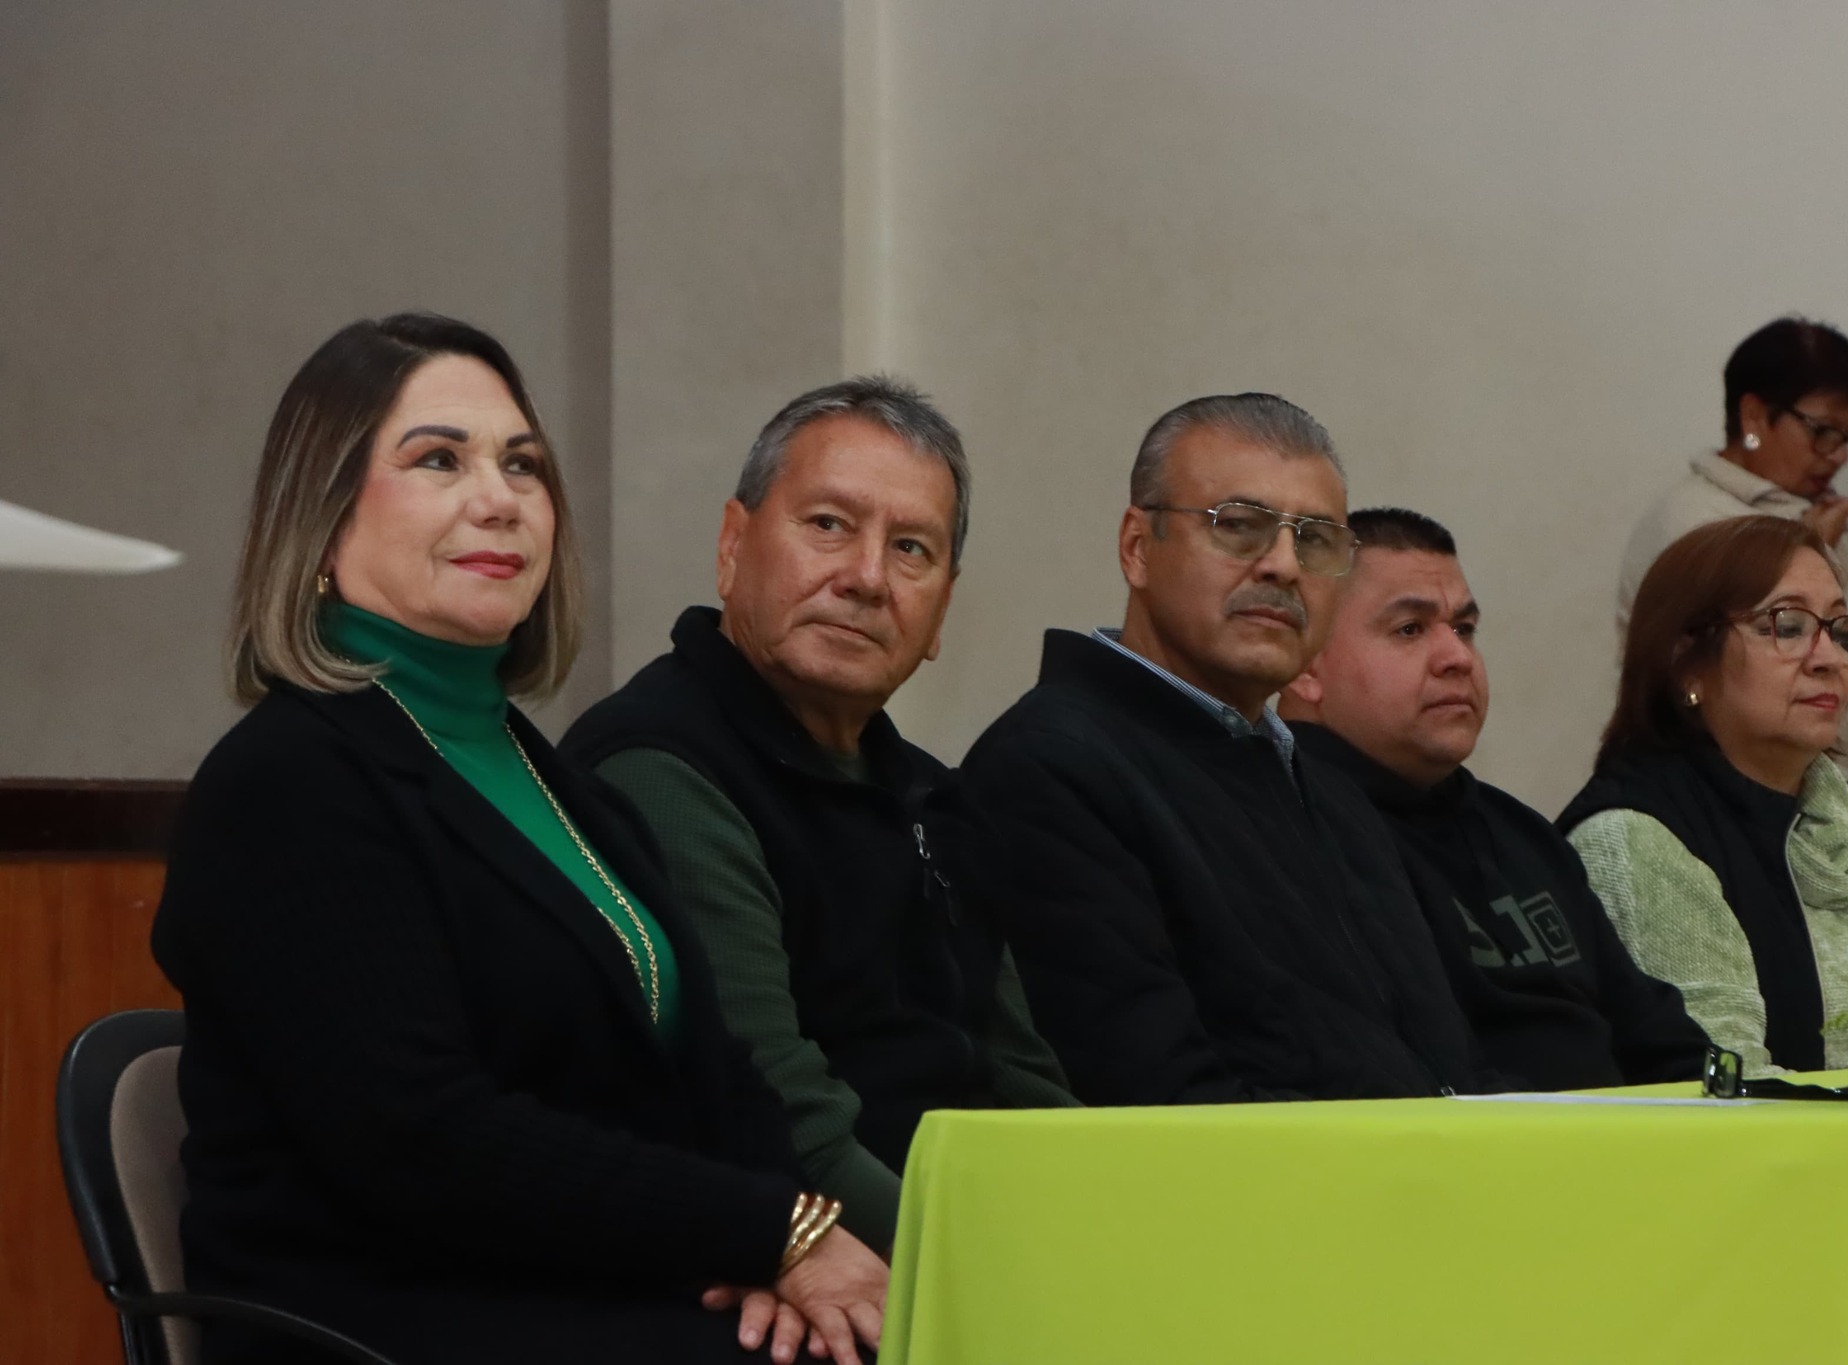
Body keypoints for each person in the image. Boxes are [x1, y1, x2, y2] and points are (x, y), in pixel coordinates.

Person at [152, 314, 887, 1365]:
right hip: (379, 1321)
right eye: (438, 459)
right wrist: (769, 1232)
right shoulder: (287, 782)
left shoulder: (558, 781)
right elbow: (422, 1138)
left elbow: (715, 1074)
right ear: (322, 512)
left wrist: (792, 1244)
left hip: (592, 1292)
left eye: (523, 465)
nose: (498, 497)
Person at [561, 377, 1074, 1253]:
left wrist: (1106, 1227)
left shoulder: (933, 795)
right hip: (826, 1258)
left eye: (910, 548)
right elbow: (783, 1121)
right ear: (732, 546)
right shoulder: (660, 771)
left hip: (973, 1241)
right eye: (829, 525)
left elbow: (1026, 1084)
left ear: (942, 611)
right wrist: (1000, 1269)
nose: (867, 578)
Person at [953, 393, 1492, 1106]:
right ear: (1137, 548)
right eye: (1239, 526)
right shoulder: (1053, 769)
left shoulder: (1331, 792)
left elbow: (1445, 1069)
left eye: (1316, 540)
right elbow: (1153, 1102)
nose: (1283, 566)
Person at [1278, 508, 1707, 1089]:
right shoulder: (1286, 831)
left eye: (1464, 628)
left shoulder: (1520, 832)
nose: (1456, 657)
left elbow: (1661, 1041)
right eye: (1410, 629)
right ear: (1304, 663)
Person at [1561, 516, 1848, 1075]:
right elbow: (1727, 1084)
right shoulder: (1636, 837)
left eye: (1839, 629)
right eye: (1787, 626)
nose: (1830, 659)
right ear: (1688, 663)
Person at [1617, 317, 1848, 804]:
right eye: (1823, 431)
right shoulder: (1692, 522)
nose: (1838, 455)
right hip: (1739, 792)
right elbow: (1720, 679)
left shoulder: (1814, 511)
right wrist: (1809, 548)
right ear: (1754, 417)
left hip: (1844, 787)